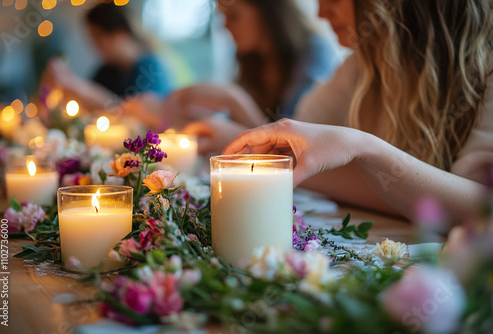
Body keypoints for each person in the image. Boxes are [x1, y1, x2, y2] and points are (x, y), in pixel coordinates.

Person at [222, 0, 493, 223]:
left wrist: (363, 148)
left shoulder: (485, 72)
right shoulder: (362, 65)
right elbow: (294, 139)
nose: (321, 12)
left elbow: (483, 210)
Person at [160, 0, 338, 150]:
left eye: (234, 16)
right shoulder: (252, 61)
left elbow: (290, 145)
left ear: (267, 11)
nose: (225, 26)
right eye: (222, 17)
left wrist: (233, 99)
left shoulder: (314, 53)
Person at [41, 3, 172, 111]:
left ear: (120, 33)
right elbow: (86, 106)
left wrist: (74, 84)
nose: (94, 46)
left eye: (98, 37)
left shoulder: (150, 67)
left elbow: (129, 112)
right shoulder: (107, 70)